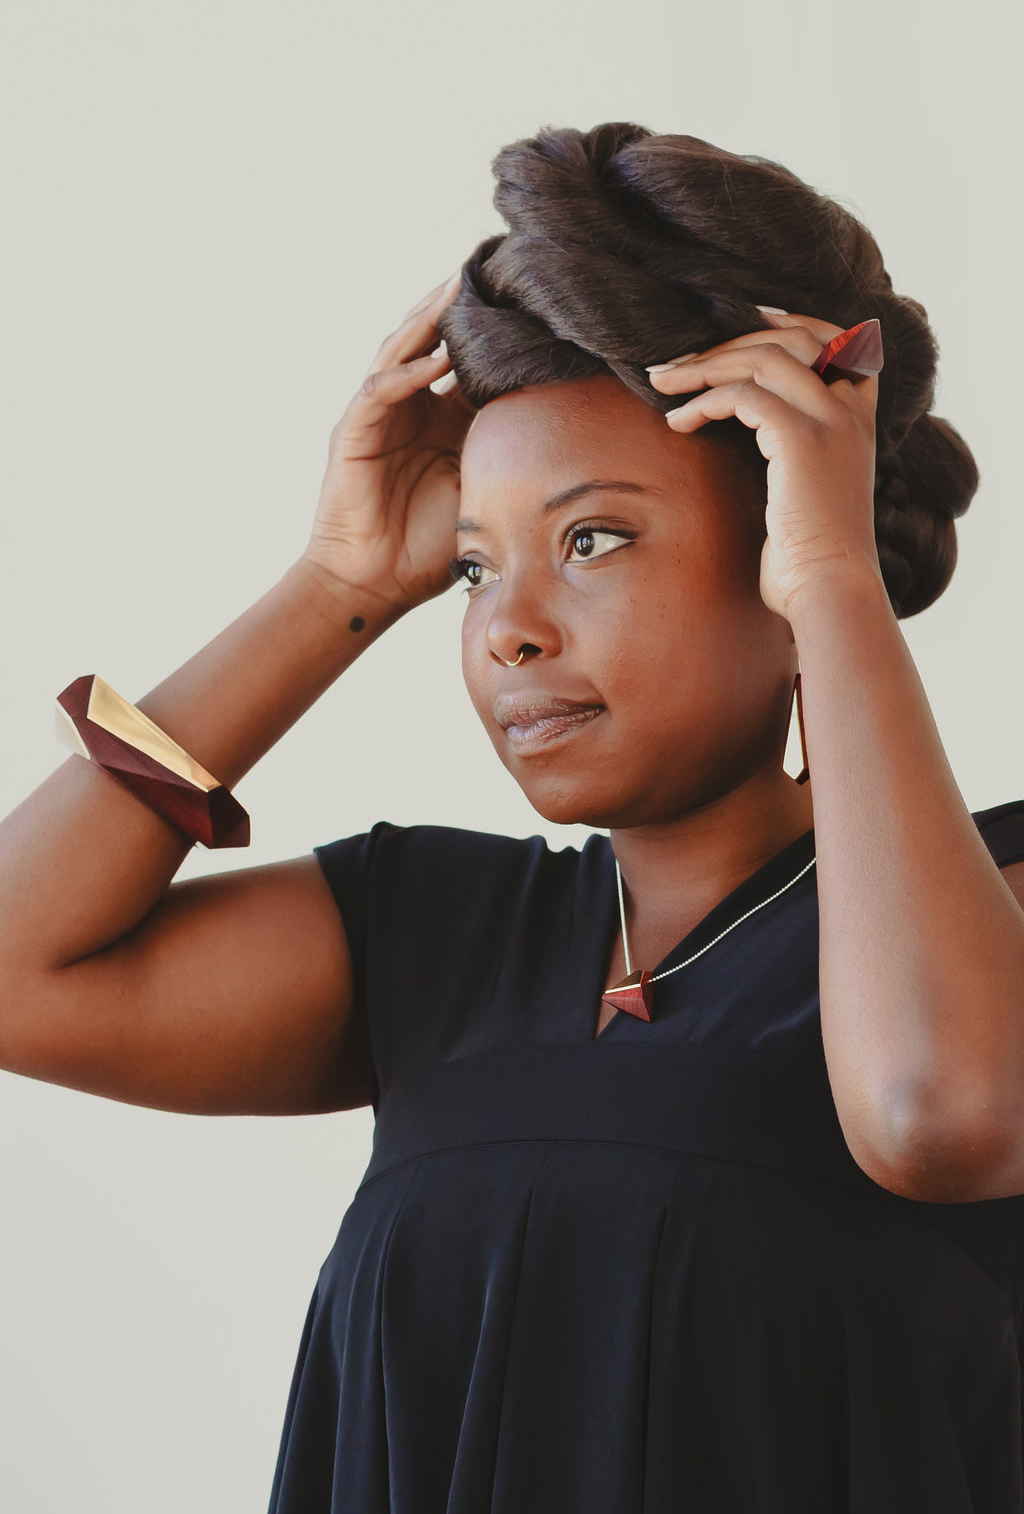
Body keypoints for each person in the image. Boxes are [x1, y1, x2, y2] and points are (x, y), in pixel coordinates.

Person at [2, 121, 1024, 1512]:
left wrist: (835, 577)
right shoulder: (436, 936)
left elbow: (937, 1116)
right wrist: (336, 584)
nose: (510, 631)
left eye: (592, 540)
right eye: (477, 568)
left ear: (784, 542)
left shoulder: (993, 920)